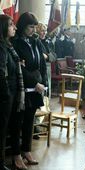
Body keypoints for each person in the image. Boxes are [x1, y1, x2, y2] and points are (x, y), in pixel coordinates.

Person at [11, 12, 47, 170]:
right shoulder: (16, 42)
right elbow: (19, 67)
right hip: (22, 87)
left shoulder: (35, 41)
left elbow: (42, 65)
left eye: (35, 27)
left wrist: (43, 83)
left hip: (36, 87)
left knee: (29, 121)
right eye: (31, 27)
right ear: (23, 26)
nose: (34, 30)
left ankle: (27, 150)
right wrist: (34, 81)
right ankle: (16, 155)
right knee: (18, 122)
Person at [0, 14, 24, 170]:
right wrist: (7, 94)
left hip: (11, 93)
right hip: (4, 95)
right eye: (10, 25)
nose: (14, 27)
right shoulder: (1, 47)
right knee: (1, 131)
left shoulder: (8, 45)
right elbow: (1, 73)